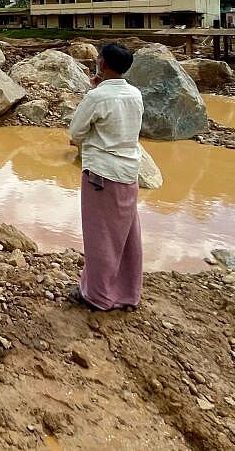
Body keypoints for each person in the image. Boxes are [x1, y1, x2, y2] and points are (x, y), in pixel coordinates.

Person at [66, 42, 144, 311]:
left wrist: (94, 90)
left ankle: (97, 296)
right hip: (129, 172)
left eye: (99, 59)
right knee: (127, 235)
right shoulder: (135, 93)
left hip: (101, 173)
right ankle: (127, 293)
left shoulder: (97, 96)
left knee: (100, 235)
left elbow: (75, 132)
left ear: (103, 64)